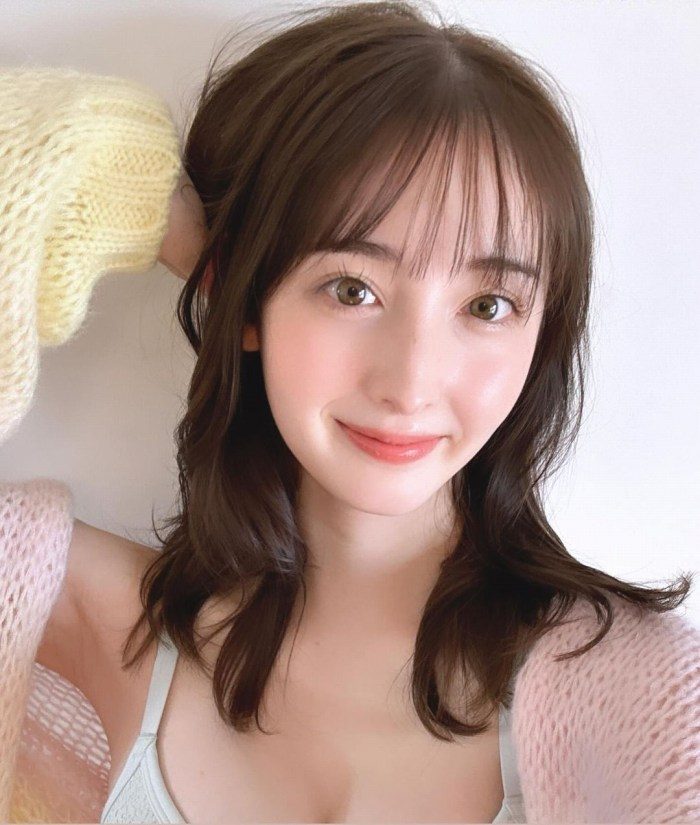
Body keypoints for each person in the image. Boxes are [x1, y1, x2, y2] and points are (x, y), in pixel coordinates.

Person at [1, 2, 698, 823]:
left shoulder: (642, 697)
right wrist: (150, 210)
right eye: (351, 288)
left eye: (487, 305)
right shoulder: (69, 609)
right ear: (244, 293)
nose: (411, 381)